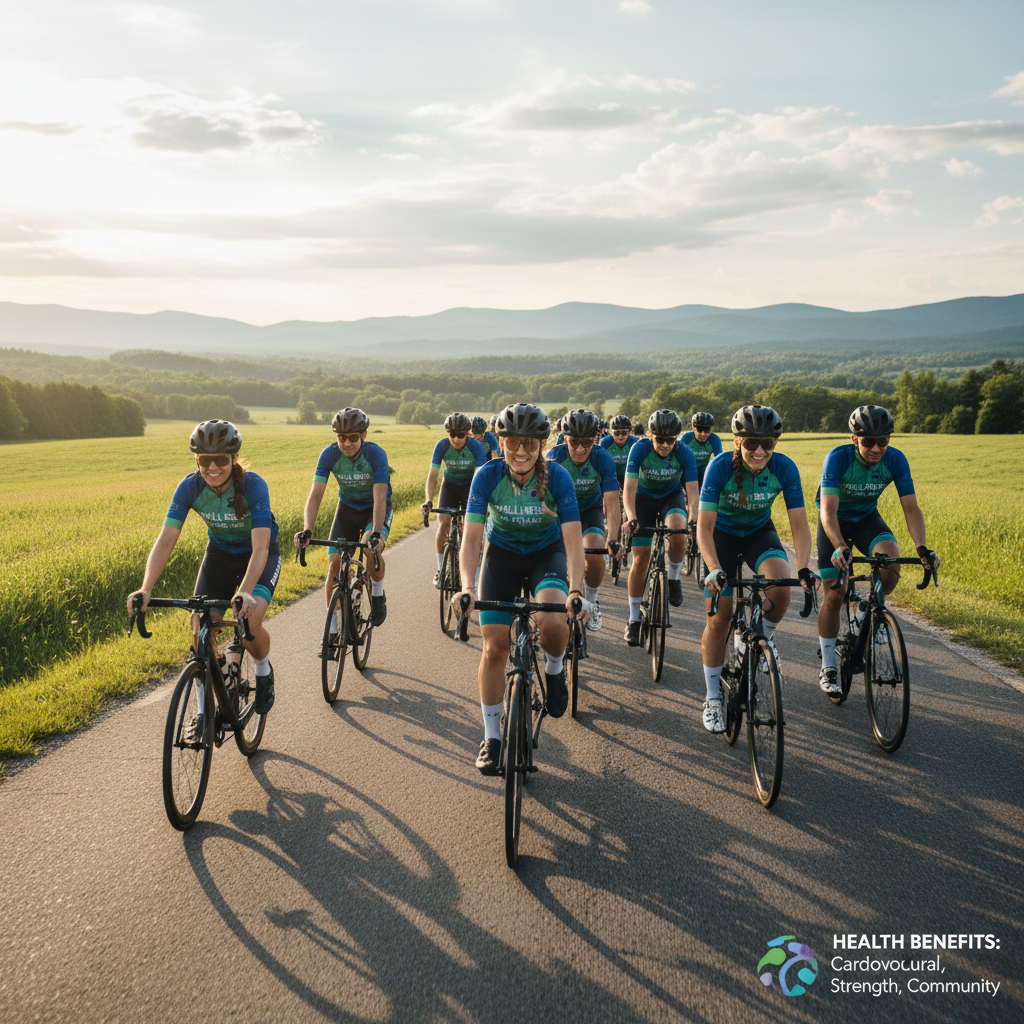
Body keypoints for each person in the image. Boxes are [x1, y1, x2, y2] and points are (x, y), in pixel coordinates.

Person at [455, 403, 586, 775]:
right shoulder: (487, 476)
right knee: (495, 647)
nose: (521, 450)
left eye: (529, 442)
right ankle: (492, 737)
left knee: (552, 620)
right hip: (502, 559)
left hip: (547, 555)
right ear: (501, 442)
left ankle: (556, 668)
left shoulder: (558, 478)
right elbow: (472, 540)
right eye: (513, 441)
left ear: (541, 445)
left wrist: (576, 590)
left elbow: (574, 542)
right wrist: (466, 586)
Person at [127, 420, 280, 714]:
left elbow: (261, 546)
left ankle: (263, 670)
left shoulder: (252, 485)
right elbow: (166, 540)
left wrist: (245, 592)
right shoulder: (190, 487)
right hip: (220, 555)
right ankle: (204, 707)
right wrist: (146, 588)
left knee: (250, 621)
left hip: (259, 554)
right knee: (199, 628)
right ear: (196, 460)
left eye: (221, 459)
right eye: (204, 460)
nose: (213, 467)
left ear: (233, 459)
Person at [698, 405, 814, 733]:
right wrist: (712, 569)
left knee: (781, 584)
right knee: (719, 618)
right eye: (751, 443)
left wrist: (804, 568)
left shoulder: (784, 468)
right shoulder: (719, 467)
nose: (759, 450)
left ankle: (762, 637)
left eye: (767, 443)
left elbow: (800, 525)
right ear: (737, 442)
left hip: (758, 535)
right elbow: (704, 529)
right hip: (720, 537)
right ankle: (713, 698)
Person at [814, 405, 940, 696]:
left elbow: (911, 508)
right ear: (854, 439)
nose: (876, 447)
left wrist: (922, 549)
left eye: (883, 440)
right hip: (834, 522)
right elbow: (828, 512)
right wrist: (839, 546)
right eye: (868, 441)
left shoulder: (895, 460)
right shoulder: (837, 459)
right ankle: (829, 663)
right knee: (835, 593)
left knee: (891, 563)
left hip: (866, 519)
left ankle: (868, 611)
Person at [295, 408, 392, 637]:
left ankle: (377, 594)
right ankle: (332, 630)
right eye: (341, 438)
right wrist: (307, 529)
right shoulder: (329, 455)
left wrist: (376, 533)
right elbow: (316, 494)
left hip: (374, 509)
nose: (346, 443)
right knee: (335, 565)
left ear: (364, 435)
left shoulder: (376, 455)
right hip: (347, 508)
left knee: (371, 549)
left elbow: (379, 498)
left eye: (352, 438)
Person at [621, 409, 699, 643]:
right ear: (650, 435)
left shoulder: (684, 453)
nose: (665, 445)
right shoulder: (640, 449)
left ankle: (673, 577)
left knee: (678, 529)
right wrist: (631, 516)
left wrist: (693, 519)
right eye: (660, 440)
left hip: (670, 497)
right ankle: (634, 619)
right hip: (642, 501)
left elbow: (693, 492)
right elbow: (629, 488)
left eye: (670, 440)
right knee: (641, 557)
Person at [546, 408, 620, 631]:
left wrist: (614, 537)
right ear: (565, 438)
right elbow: (543, 503)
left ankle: (593, 601)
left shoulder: (602, 458)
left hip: (589, 510)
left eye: (586, 443)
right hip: (559, 511)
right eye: (574, 441)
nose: (580, 448)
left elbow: (613, 502)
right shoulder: (554, 458)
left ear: (595, 439)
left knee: (595, 551)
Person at [422, 413, 487, 587]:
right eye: (452, 434)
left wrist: (479, 502)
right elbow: (433, 475)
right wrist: (429, 500)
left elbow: (480, 475)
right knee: (443, 523)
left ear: (467, 433)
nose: (456, 439)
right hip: (449, 485)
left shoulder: (475, 446)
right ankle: (440, 568)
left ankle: (476, 574)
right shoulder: (442, 446)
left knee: (472, 530)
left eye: (460, 435)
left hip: (470, 486)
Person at [682, 412, 723, 488]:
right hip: (687, 475)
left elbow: (719, 461)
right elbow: (677, 462)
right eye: (700, 430)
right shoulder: (687, 438)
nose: (703, 434)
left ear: (711, 429)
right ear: (693, 428)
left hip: (704, 475)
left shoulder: (714, 439)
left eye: (707, 430)